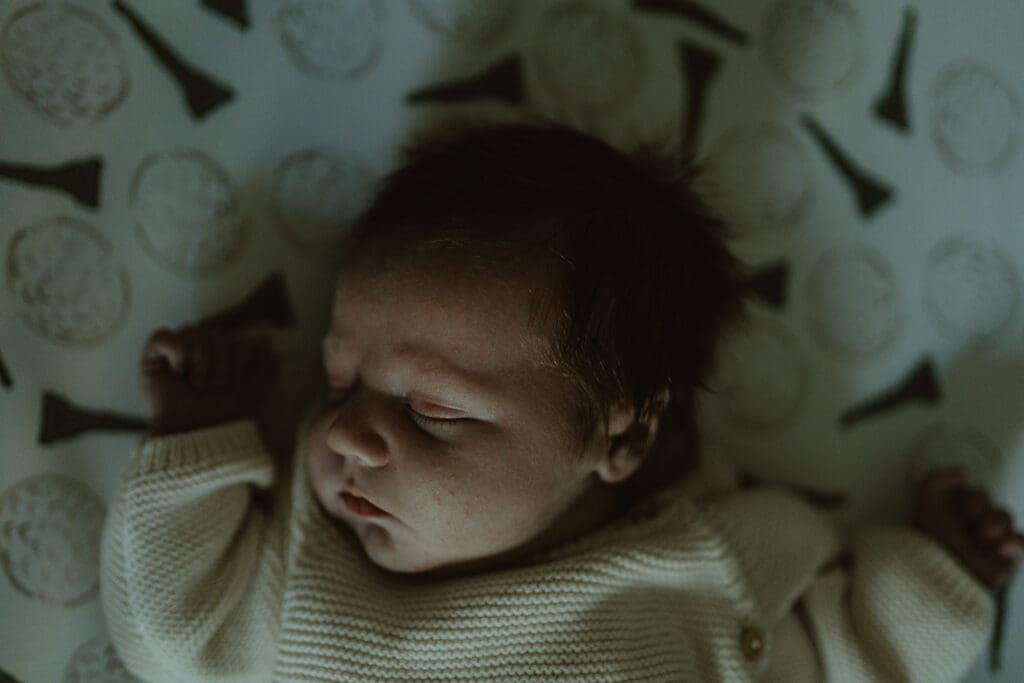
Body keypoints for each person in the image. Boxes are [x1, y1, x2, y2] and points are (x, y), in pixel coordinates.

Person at [100, 119, 1024, 682]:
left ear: (618, 435)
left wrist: (932, 581)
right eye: (341, 379)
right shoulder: (319, 581)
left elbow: (846, 657)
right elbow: (169, 633)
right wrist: (199, 441)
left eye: (433, 409)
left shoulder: (707, 572)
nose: (349, 432)